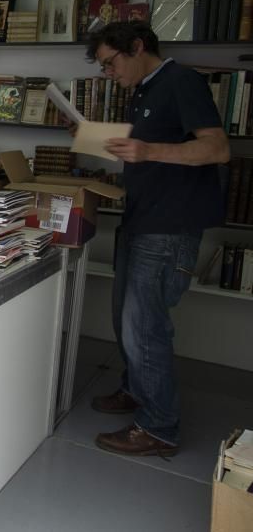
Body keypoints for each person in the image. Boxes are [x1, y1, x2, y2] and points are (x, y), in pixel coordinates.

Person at [87, 22, 229, 457]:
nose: (109, 73)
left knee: (145, 327)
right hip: (141, 219)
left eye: (111, 63)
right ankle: (135, 390)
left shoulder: (181, 81)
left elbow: (217, 148)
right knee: (125, 320)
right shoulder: (145, 90)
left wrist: (148, 152)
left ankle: (159, 427)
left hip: (169, 228)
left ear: (137, 46)